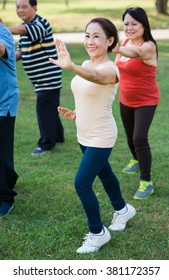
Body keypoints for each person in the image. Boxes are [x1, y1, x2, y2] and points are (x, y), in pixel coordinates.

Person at [49, 18, 136, 254]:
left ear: (109, 41)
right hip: (84, 133)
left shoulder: (110, 69)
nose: (90, 41)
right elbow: (90, 94)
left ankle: (98, 232)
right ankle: (122, 209)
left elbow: (96, 78)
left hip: (102, 135)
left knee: (82, 183)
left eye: (97, 36)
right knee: (105, 174)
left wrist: (71, 67)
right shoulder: (87, 63)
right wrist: (76, 113)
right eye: (87, 35)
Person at [114, 7, 160, 200]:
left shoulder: (148, 46)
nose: (129, 27)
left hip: (146, 100)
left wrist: (116, 48)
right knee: (130, 137)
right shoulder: (124, 41)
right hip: (126, 98)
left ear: (143, 25)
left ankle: (146, 182)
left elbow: (136, 53)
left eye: (134, 23)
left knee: (140, 137)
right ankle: (135, 159)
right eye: (126, 24)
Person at [9, 0, 64, 155]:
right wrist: (6, 56)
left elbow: (26, 29)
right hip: (39, 79)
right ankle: (58, 136)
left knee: (44, 109)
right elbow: (20, 52)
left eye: (24, 6)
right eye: (18, 7)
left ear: (34, 7)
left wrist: (3, 29)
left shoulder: (40, 24)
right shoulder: (24, 29)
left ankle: (46, 144)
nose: (20, 10)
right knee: (50, 109)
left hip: (48, 77)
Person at [0, 20, 19, 216]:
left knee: (2, 153)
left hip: (3, 103)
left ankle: (6, 197)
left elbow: (1, 49)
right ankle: (9, 177)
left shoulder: (2, 32)